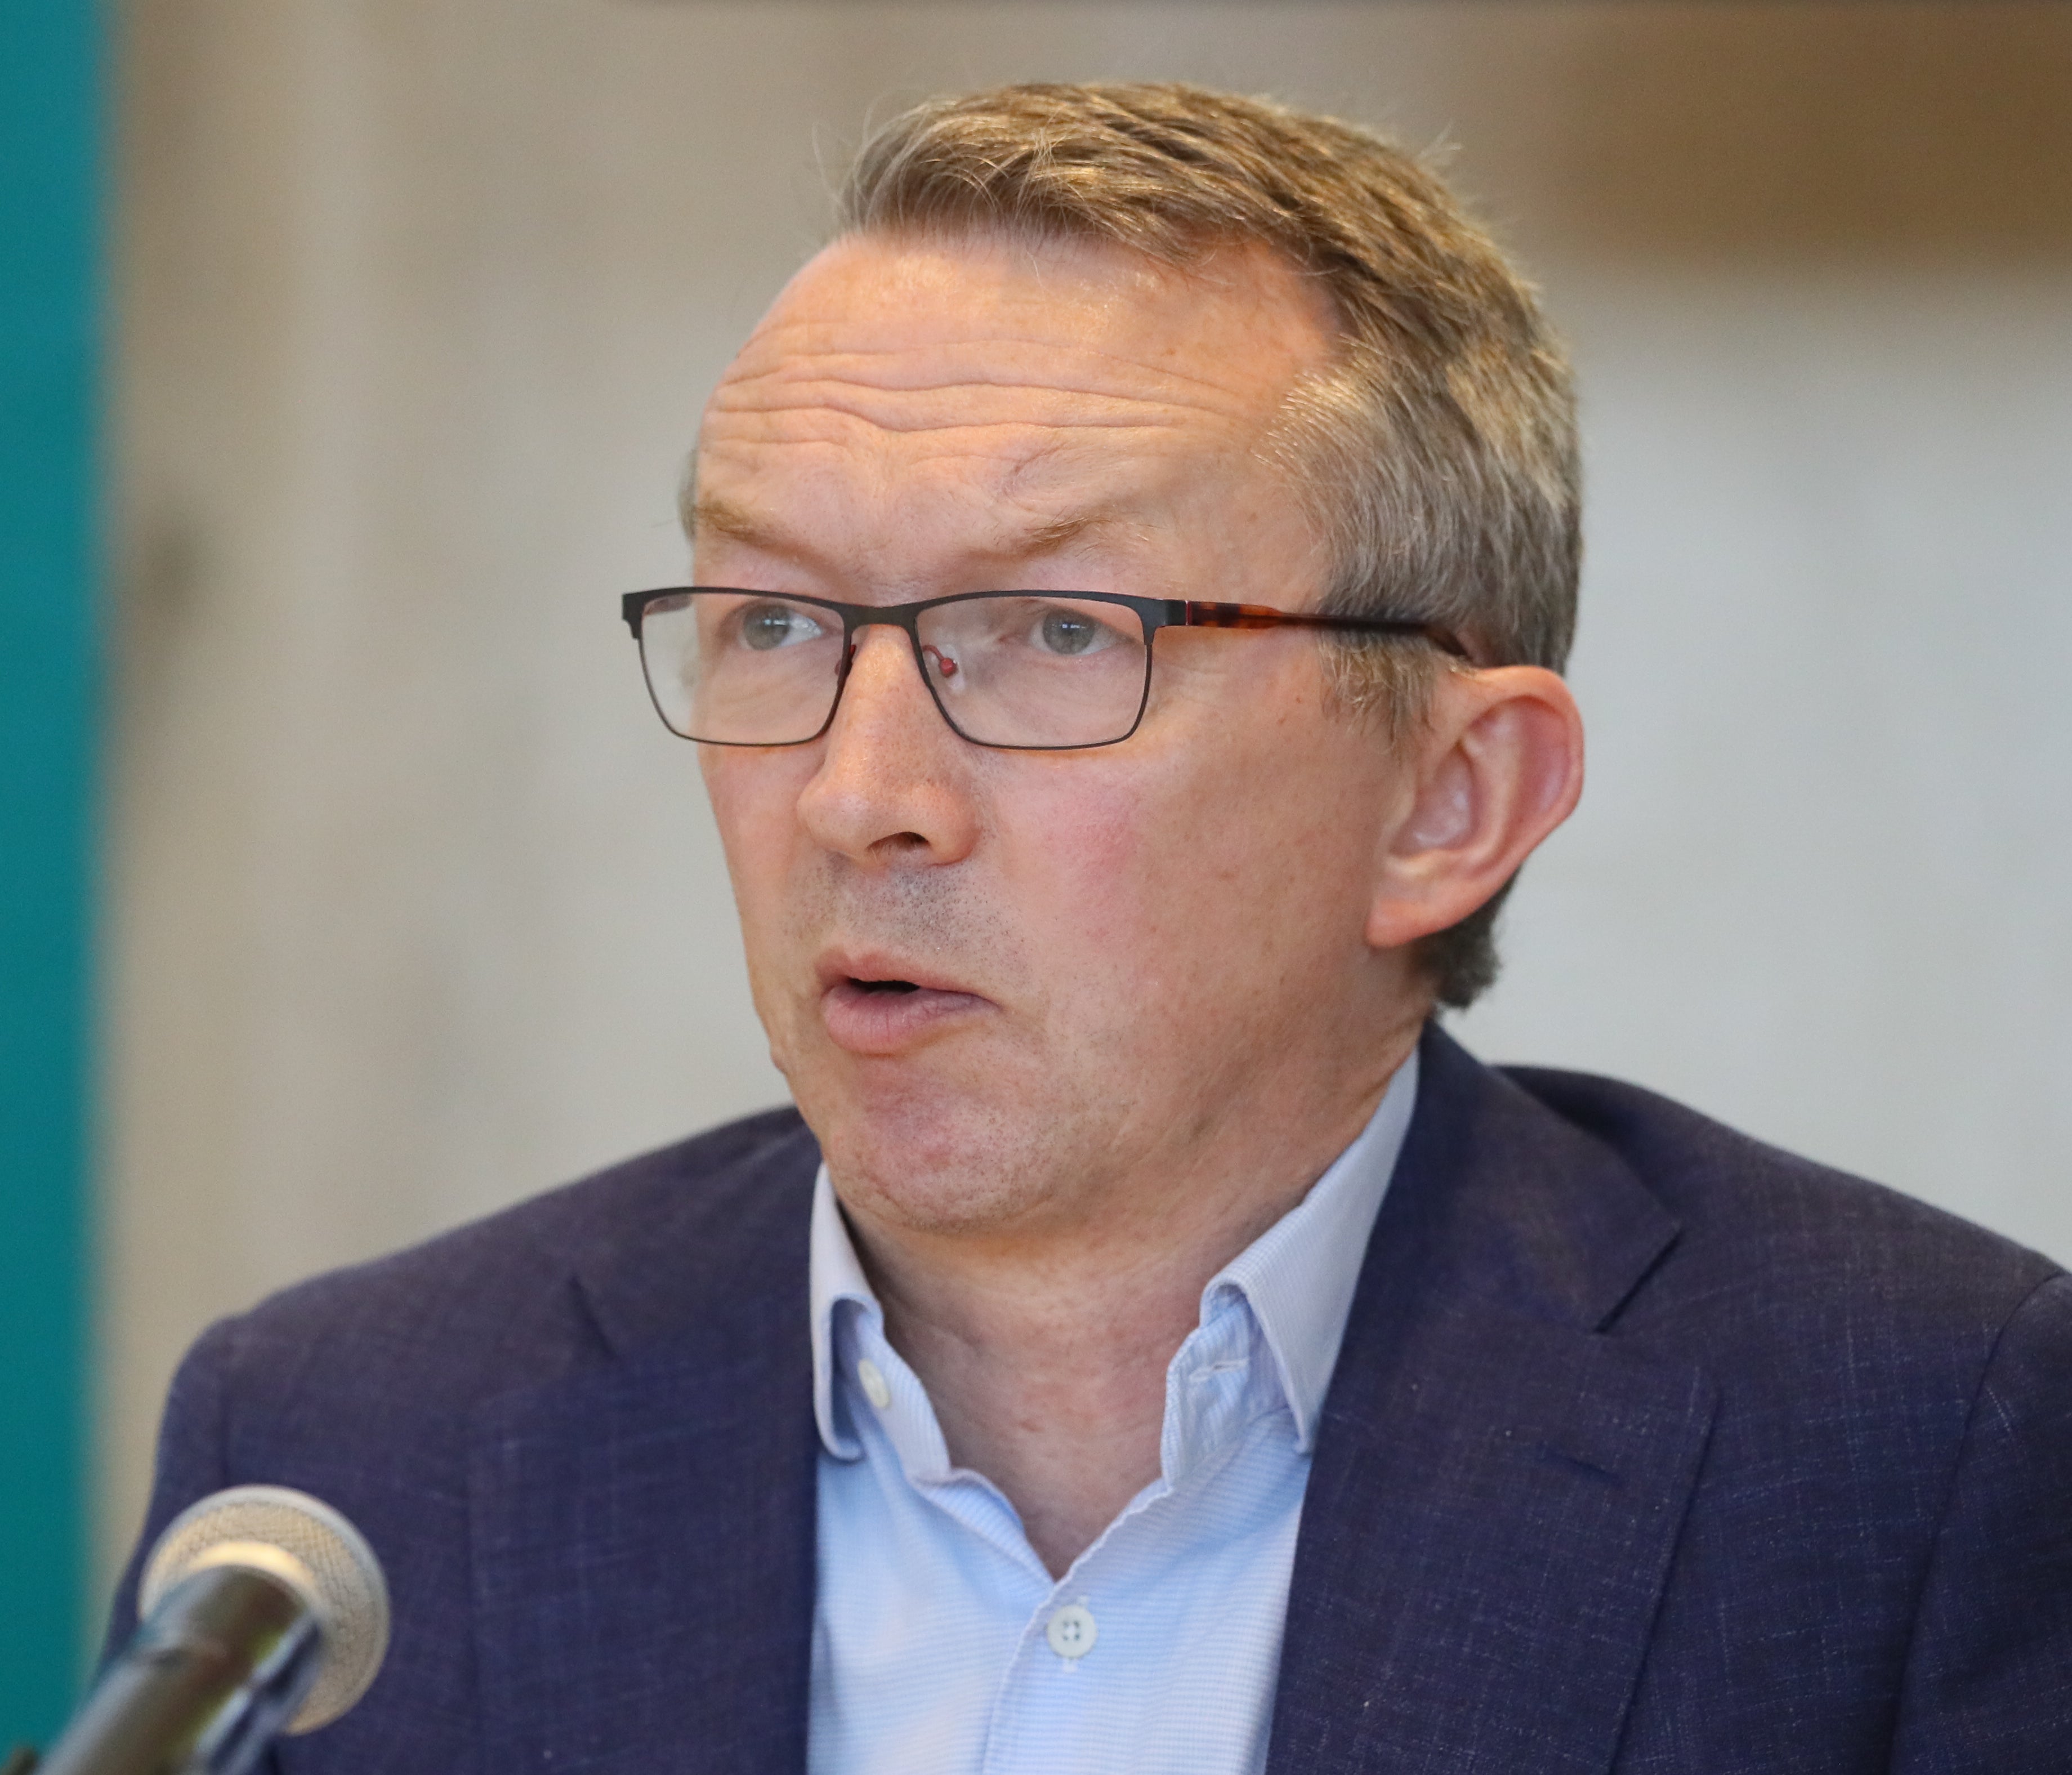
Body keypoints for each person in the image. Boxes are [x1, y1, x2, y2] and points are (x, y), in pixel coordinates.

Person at [105, 83, 2071, 1772]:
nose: (861, 789)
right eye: (779, 622)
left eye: (1057, 634)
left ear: (1449, 800)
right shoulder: (350, 1460)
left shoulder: (1912, 1449)